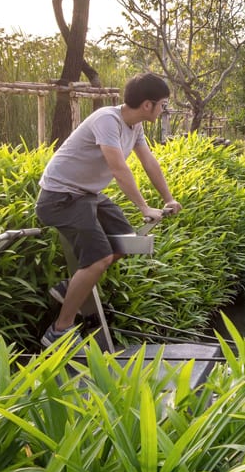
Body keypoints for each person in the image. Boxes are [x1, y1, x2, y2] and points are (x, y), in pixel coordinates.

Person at [36, 72, 181, 348]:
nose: (164, 109)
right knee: (100, 259)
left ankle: (70, 290)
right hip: (60, 197)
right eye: (163, 103)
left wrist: (168, 198)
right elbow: (118, 168)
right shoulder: (107, 119)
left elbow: (149, 162)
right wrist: (143, 207)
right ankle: (58, 330)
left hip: (86, 194)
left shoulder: (134, 126)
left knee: (124, 243)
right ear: (147, 105)